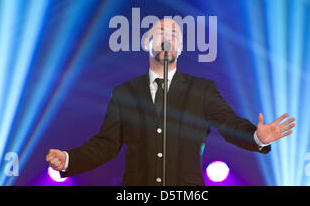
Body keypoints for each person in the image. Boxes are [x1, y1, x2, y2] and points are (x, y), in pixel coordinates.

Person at [46, 18, 295, 185]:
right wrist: (69, 159)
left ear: (181, 48)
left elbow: (230, 125)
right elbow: (106, 145)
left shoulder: (202, 90)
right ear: (147, 43)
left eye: (174, 34)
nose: (167, 39)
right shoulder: (125, 93)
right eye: (160, 33)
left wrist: (257, 137)